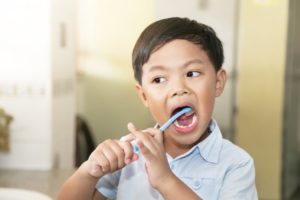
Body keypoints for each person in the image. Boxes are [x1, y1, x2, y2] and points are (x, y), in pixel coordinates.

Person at [58, 17, 258, 200]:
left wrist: (165, 180)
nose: (178, 89)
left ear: (218, 82)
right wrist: (88, 172)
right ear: (144, 95)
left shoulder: (236, 165)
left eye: (192, 73)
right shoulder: (131, 154)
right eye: (159, 79)